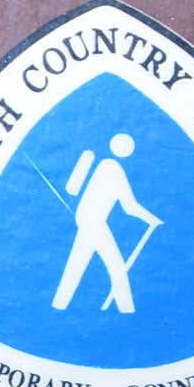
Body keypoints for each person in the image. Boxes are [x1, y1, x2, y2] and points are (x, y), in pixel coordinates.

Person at [51, 133, 158, 315]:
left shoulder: (104, 165)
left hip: (86, 221)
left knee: (75, 267)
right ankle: (127, 311)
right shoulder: (114, 169)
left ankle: (58, 306)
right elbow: (129, 206)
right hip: (95, 224)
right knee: (117, 268)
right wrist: (151, 219)